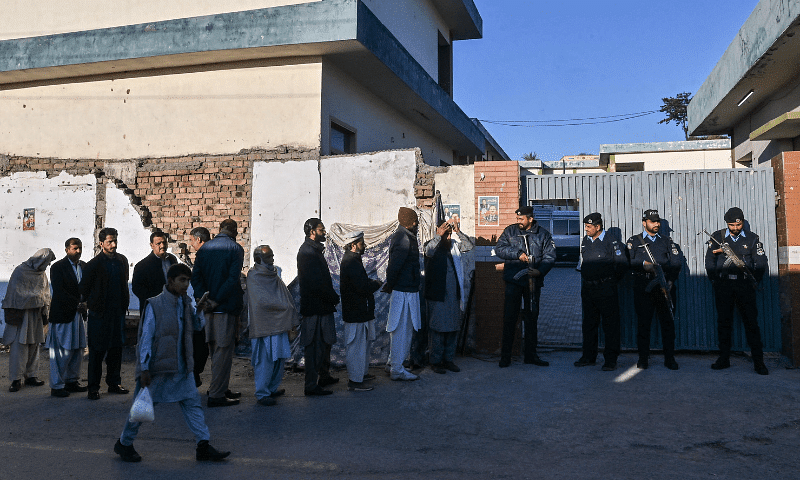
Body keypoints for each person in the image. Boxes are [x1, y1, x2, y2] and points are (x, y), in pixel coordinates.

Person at [114, 264, 230, 463]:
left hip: (182, 367)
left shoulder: (185, 302)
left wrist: (199, 310)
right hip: (158, 369)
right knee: (142, 409)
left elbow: (197, 326)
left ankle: (203, 445)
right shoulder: (155, 305)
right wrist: (144, 367)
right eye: (182, 280)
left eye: (188, 280)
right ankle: (124, 443)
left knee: (193, 404)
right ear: (170, 281)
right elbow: (146, 337)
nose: (186, 285)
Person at [705, 207, 769, 375]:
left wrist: (753, 280)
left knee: (751, 324)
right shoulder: (718, 236)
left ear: (742, 222)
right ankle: (723, 359)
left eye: (738, 225)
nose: (735, 228)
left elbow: (761, 262)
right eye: (731, 225)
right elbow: (710, 259)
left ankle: (758, 362)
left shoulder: (752, 238)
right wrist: (714, 280)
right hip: (724, 286)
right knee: (724, 324)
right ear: (727, 223)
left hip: (744, 286)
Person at [191, 219, 245, 407]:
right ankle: (216, 394)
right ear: (235, 231)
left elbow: (195, 276)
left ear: (219, 229)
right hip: (224, 308)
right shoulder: (235, 249)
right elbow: (232, 279)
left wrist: (203, 298)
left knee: (215, 350)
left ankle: (220, 387)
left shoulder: (205, 248)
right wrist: (216, 300)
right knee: (223, 351)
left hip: (208, 309)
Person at [494, 206, 556, 368]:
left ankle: (531, 355)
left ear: (530, 218)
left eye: (521, 219)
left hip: (532, 283)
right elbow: (499, 249)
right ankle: (505, 356)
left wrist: (539, 271)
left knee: (531, 319)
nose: (518, 221)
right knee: (509, 318)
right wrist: (517, 254)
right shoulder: (510, 231)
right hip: (513, 282)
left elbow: (550, 257)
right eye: (517, 218)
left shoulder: (543, 234)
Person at [627, 209, 683, 370]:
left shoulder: (667, 241)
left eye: (658, 221)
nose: (657, 224)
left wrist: (671, 281)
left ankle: (669, 358)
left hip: (664, 287)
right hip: (644, 288)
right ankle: (643, 358)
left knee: (668, 324)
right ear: (644, 223)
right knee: (643, 324)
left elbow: (676, 262)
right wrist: (645, 265)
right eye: (653, 221)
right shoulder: (634, 241)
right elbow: (629, 261)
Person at [574, 213, 628, 371]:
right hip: (588, 289)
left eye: (589, 227)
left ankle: (611, 360)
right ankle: (588, 357)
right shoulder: (586, 240)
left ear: (598, 227)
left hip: (606, 290)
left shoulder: (611, 241)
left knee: (610, 326)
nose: (586, 229)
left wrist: (609, 282)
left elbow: (622, 265)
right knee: (589, 324)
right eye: (585, 226)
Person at [81, 228, 131, 399]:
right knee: (96, 352)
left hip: (117, 314)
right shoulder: (93, 264)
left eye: (115, 240)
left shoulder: (122, 261)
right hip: (99, 315)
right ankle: (93, 387)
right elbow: (84, 289)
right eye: (110, 241)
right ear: (101, 243)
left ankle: (114, 383)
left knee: (116, 350)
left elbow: (124, 284)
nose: (114, 244)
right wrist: (94, 306)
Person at [247, 245, 298, 405]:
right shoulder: (254, 276)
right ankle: (262, 393)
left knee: (279, 359)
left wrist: (288, 309)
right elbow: (261, 302)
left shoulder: (274, 275)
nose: (272, 259)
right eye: (269, 257)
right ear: (257, 259)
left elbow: (285, 295)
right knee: (265, 361)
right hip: (264, 326)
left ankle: (272, 388)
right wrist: (284, 307)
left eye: (272, 256)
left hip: (279, 324)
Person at [423, 218, 474, 373]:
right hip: (438, 297)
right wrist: (438, 236)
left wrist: (458, 231)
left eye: (450, 234)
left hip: (453, 297)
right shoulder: (432, 246)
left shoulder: (454, 247)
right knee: (438, 329)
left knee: (452, 328)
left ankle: (448, 359)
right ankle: (436, 361)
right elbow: (428, 251)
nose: (449, 238)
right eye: (447, 235)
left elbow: (468, 246)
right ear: (439, 233)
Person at [2, 248, 56, 392]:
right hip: (22, 316)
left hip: (36, 315)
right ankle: (16, 379)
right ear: (40, 259)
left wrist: (44, 306)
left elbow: (45, 293)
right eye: (47, 262)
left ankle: (31, 375)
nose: (47, 265)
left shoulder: (42, 274)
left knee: (34, 346)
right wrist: (34, 299)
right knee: (19, 348)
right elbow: (14, 293)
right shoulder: (20, 271)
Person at [297, 218, 340, 396]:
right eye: (321, 230)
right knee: (314, 346)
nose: (324, 233)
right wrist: (332, 296)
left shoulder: (314, 250)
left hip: (322, 306)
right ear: (312, 232)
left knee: (325, 343)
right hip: (315, 307)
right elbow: (315, 283)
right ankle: (311, 385)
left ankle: (324, 376)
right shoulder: (307, 252)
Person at [383, 207, 422, 381]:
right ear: (410, 223)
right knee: (402, 331)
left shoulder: (403, 236)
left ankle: (392, 363)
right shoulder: (405, 239)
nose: (417, 224)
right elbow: (395, 267)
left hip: (404, 289)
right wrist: (390, 284)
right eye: (415, 221)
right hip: (404, 291)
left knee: (399, 329)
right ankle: (397, 370)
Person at [340, 231, 382, 391]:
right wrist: (376, 284)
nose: (364, 245)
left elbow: (361, 282)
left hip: (360, 312)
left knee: (362, 346)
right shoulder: (350, 262)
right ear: (353, 245)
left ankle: (361, 375)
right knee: (356, 347)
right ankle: (355, 381)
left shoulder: (354, 260)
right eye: (361, 242)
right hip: (355, 313)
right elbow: (362, 287)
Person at [46, 238, 89, 397]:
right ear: (66, 250)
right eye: (74, 248)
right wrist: (77, 304)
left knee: (77, 349)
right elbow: (59, 291)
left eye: (80, 248)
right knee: (60, 351)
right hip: (63, 314)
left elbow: (87, 288)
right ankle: (57, 386)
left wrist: (86, 303)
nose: (78, 251)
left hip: (79, 315)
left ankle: (71, 381)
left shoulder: (84, 266)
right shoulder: (58, 267)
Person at [188, 226, 211, 387]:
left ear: (199, 240)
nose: (191, 245)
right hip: (212, 302)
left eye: (192, 241)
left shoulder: (203, 255)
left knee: (200, 340)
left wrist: (200, 297)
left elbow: (196, 279)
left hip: (205, 304)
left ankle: (195, 373)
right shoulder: (215, 252)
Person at [132, 231, 177, 310]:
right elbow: (137, 289)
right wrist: (155, 300)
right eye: (158, 243)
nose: (162, 246)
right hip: (153, 308)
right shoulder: (142, 266)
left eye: (164, 242)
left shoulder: (172, 259)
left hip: (172, 305)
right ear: (152, 245)